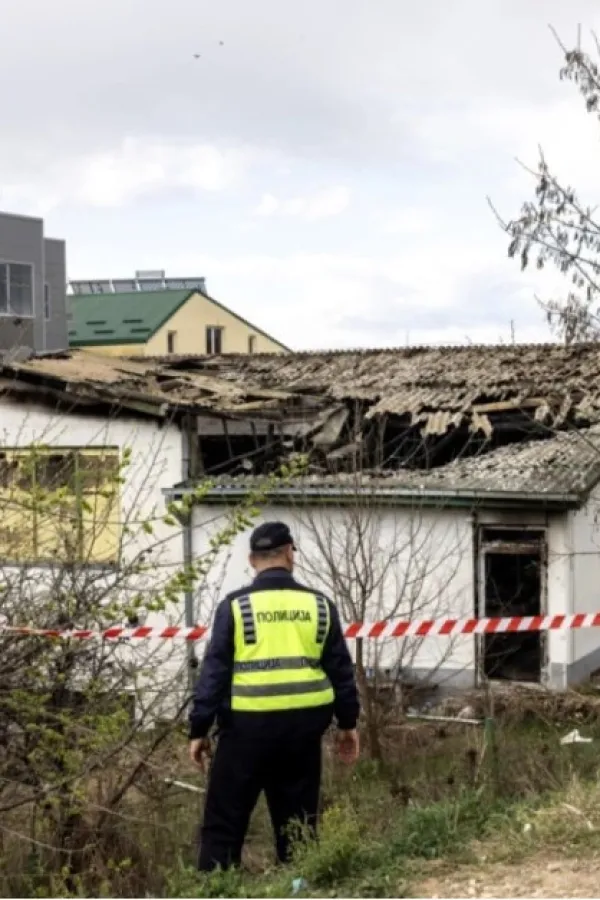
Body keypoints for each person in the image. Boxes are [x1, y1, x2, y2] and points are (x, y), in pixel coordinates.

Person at [188, 520, 360, 871]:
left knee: (224, 824)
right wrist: (347, 723)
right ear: (289, 554)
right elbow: (341, 669)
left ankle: (217, 891)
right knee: (297, 827)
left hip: (244, 733)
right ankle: (298, 888)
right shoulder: (320, 605)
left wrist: (198, 728)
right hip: (302, 734)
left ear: (253, 560)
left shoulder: (235, 607)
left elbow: (215, 672)